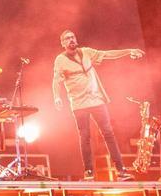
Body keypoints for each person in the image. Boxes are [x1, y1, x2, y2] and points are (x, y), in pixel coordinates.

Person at [52, 29, 144, 181]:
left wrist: (129, 51)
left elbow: (107, 54)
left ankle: (121, 170)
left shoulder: (86, 52)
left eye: (73, 37)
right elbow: (56, 80)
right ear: (62, 43)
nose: (71, 40)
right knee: (85, 136)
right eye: (67, 39)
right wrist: (56, 97)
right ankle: (89, 171)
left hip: (96, 100)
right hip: (79, 103)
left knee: (108, 133)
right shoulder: (60, 60)